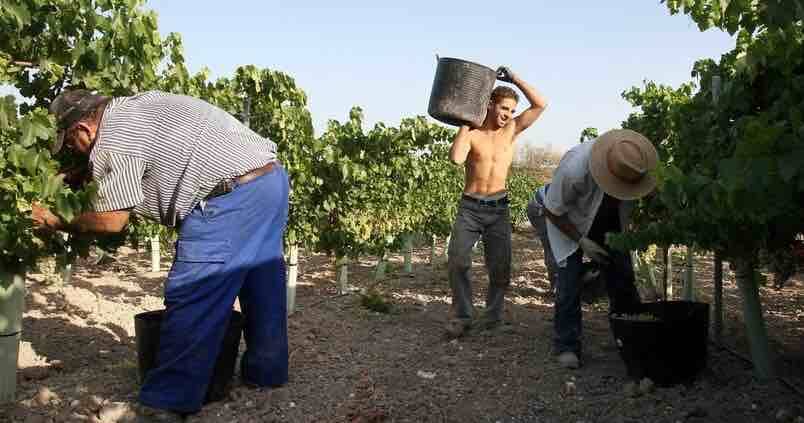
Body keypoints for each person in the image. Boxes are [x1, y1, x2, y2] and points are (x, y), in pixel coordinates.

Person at [31, 89, 290, 420]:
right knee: (261, 279)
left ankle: (166, 401)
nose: (71, 151)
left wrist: (54, 220)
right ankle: (267, 372)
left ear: (83, 129)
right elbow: (154, 152)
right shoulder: (132, 108)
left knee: (195, 291)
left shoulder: (113, 137)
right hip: (268, 179)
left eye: (68, 143)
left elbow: (113, 221)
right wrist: (84, 176)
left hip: (227, 198)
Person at [537, 128, 658, 369]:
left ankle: (629, 336)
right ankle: (567, 345)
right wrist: (582, 241)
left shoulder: (636, 164)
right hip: (568, 221)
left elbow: (651, 197)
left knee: (623, 278)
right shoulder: (575, 169)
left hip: (608, 223)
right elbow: (552, 209)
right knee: (569, 283)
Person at [445, 67, 548, 337]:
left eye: (512, 111)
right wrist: (465, 120)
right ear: (489, 105)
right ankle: (462, 316)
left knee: (500, 267)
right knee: (457, 261)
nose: (508, 115)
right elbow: (456, 158)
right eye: (504, 108)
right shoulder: (473, 132)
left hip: (499, 209)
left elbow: (541, 104)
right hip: (470, 208)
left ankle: (493, 316)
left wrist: (515, 80)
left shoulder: (512, 130)